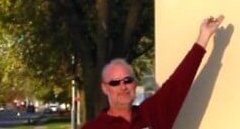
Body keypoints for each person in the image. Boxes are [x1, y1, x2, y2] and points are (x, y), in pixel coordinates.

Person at [83, 15, 224, 129]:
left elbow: (177, 84)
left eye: (127, 80)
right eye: (115, 82)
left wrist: (203, 37)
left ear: (134, 83)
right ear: (105, 88)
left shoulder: (152, 114)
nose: (123, 87)